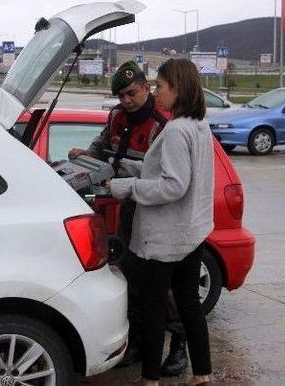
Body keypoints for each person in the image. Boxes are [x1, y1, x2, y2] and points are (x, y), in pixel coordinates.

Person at [68, 61, 189, 374]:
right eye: (120, 96)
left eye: (132, 94)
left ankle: (179, 344)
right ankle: (137, 341)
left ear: (147, 88)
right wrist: (86, 156)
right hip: (129, 208)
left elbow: (159, 174)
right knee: (132, 277)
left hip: (157, 211)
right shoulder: (117, 116)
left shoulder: (163, 124)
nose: (126, 100)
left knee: (161, 284)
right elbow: (102, 144)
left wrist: (117, 171)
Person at [109, 58, 214, 386]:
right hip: (190, 234)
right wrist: (140, 172)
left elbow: (174, 185)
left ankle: (150, 379)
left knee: (154, 308)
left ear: (178, 89)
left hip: (166, 239)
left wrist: (129, 187)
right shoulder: (199, 126)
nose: (156, 92)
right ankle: (202, 374)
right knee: (189, 306)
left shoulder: (176, 130)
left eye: (160, 86)